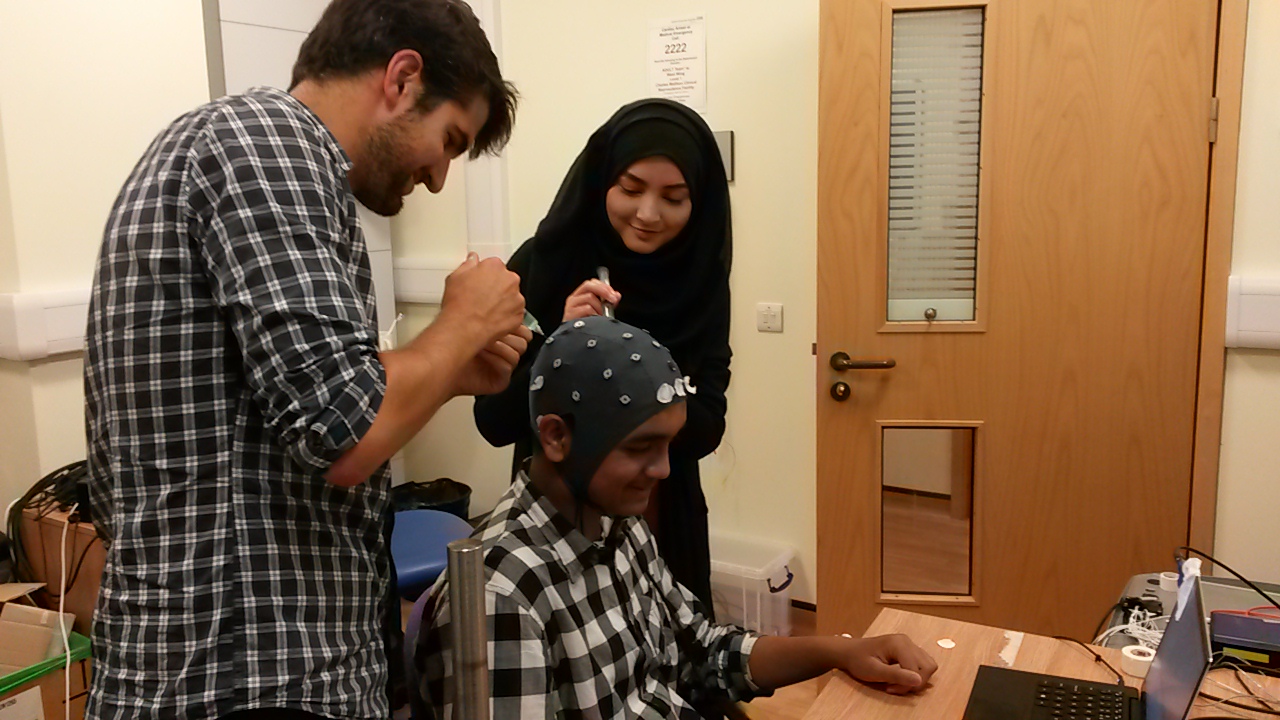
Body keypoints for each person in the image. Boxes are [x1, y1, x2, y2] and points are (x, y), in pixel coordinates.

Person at [82, 1, 528, 719]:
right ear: (403, 77)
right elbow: (344, 432)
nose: (441, 177)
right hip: (245, 679)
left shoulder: (258, 155)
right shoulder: (266, 144)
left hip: (247, 671)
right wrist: (459, 325)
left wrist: (446, 373)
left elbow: (294, 403)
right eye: (449, 140)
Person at [417, 317, 937, 719]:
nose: (663, 469)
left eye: (668, 445)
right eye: (642, 447)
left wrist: (841, 651)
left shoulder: (616, 524)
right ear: (555, 436)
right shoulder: (502, 595)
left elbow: (703, 651)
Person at [473, 98, 731, 610]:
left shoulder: (699, 285)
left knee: (672, 664)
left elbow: (707, 427)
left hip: (661, 521)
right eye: (631, 189)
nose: (648, 214)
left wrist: (630, 364)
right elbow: (494, 420)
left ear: (698, 203)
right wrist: (561, 344)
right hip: (553, 531)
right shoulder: (545, 262)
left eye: (674, 198)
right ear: (602, 182)